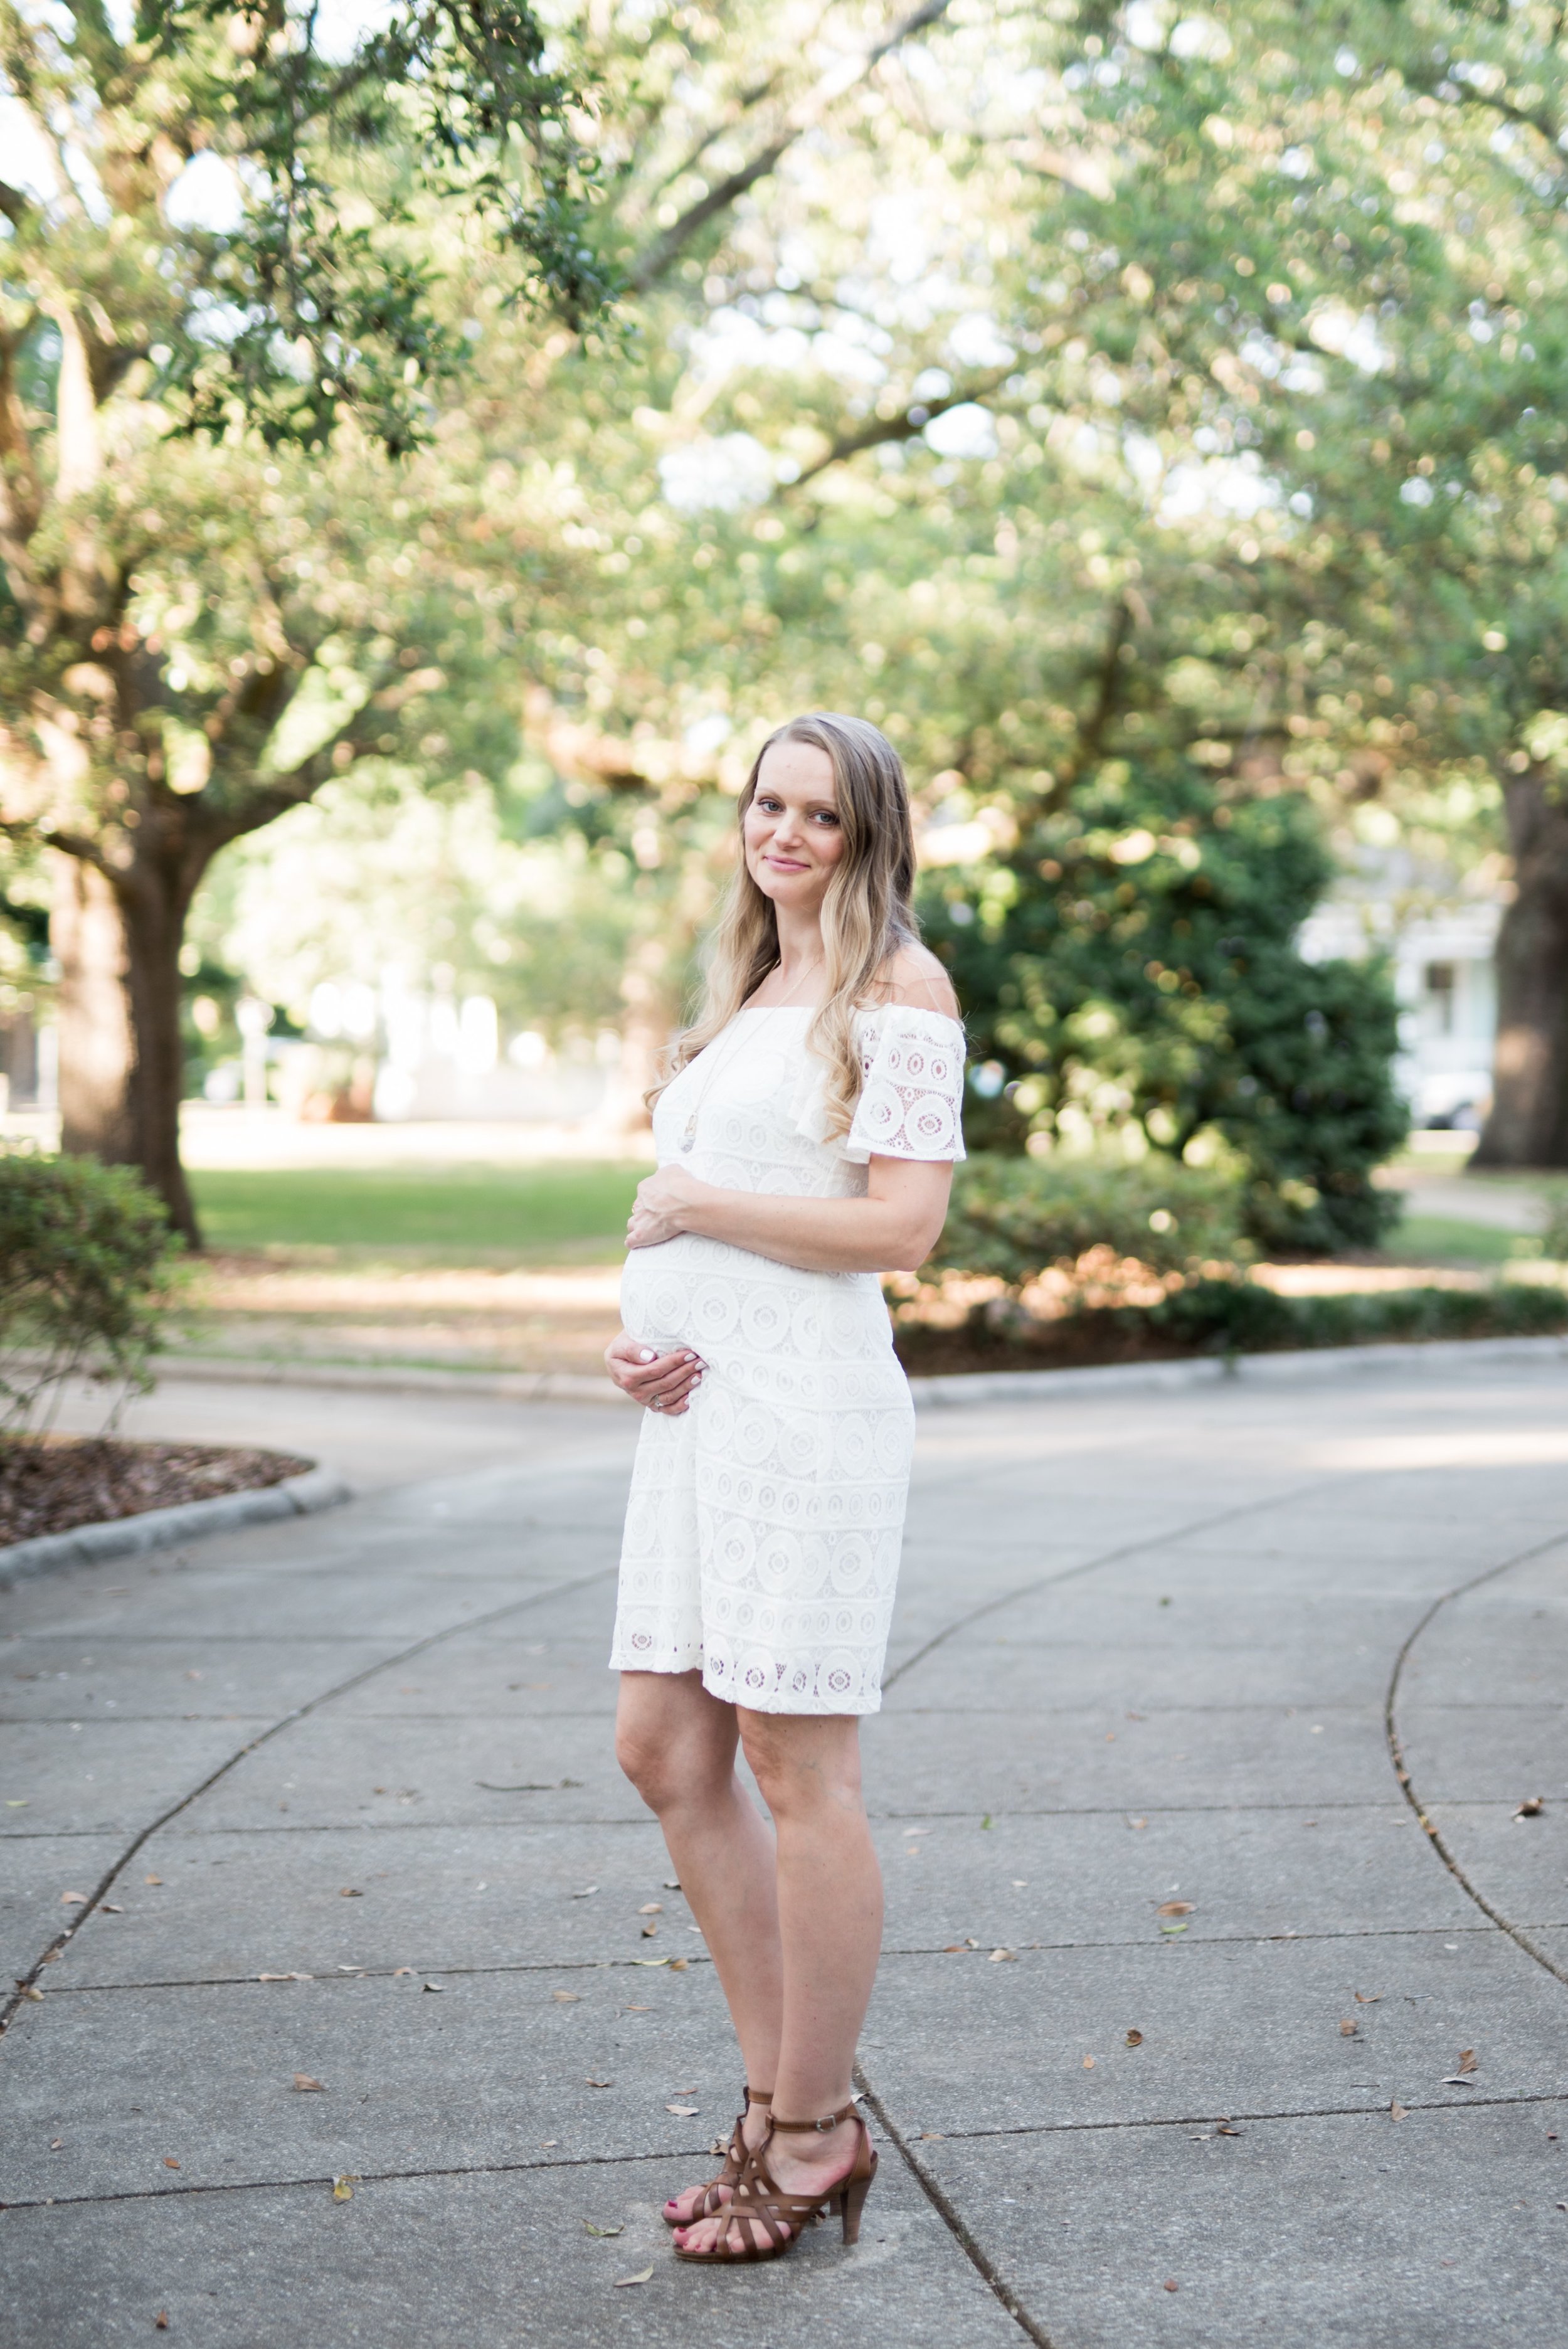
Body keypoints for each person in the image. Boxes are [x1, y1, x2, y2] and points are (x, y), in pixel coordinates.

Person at [603, 711, 966, 2265]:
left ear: (867, 832)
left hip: (807, 1423)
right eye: (767, 804)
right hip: (694, 1420)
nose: (786, 834)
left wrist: (698, 1205)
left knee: (794, 1764)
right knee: (662, 1746)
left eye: (820, 814)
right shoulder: (752, 984)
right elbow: (690, 1216)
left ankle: (809, 2130)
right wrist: (641, 1337)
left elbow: (898, 1231)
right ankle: (775, 2095)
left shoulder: (898, 985)